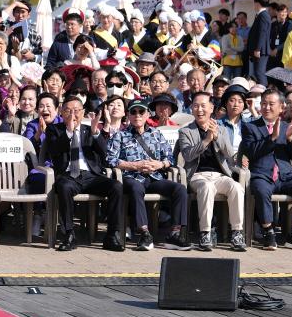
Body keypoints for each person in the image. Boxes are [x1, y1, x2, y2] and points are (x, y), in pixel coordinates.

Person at [43, 96, 125, 252]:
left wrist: (96, 133)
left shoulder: (90, 129)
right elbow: (54, 151)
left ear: (83, 113)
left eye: (76, 111)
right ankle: (69, 234)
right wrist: (68, 131)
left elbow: (104, 154)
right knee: (64, 187)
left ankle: (112, 235)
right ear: (61, 112)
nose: (73, 114)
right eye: (68, 110)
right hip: (68, 175)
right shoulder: (54, 129)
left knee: (116, 186)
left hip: (90, 176)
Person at [108, 98, 191, 251]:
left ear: (147, 115)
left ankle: (175, 234)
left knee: (179, 188)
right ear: (128, 116)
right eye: (133, 112)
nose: (137, 115)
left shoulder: (156, 134)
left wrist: (160, 164)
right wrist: (134, 166)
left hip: (154, 177)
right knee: (135, 187)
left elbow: (170, 158)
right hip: (132, 177)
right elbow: (111, 160)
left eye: (141, 112)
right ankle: (144, 233)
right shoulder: (120, 136)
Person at [240, 89, 292, 250]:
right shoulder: (250, 127)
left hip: (286, 175)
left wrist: (289, 138)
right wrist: (272, 138)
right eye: (264, 104)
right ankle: (269, 232)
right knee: (260, 190)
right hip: (262, 174)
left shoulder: (288, 126)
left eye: (271, 104)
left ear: (281, 107)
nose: (266, 107)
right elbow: (251, 152)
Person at [177, 92, 246, 252]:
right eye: (195, 105)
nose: (199, 109)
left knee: (236, 187)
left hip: (220, 175)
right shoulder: (185, 131)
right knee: (207, 187)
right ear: (191, 108)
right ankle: (205, 233)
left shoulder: (220, 129)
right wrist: (206, 140)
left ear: (211, 108)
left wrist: (216, 137)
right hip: (197, 176)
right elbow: (187, 155)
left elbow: (230, 155)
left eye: (203, 106)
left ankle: (236, 233)